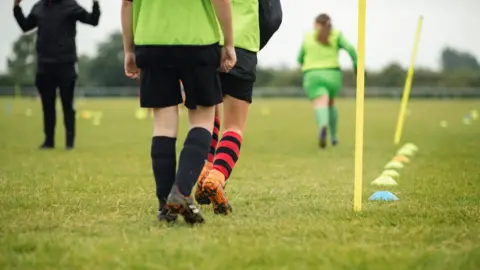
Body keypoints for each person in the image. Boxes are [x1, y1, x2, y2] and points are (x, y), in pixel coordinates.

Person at [121, 0, 236, 224]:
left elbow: (127, 4)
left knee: (163, 125)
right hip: (199, 42)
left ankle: (165, 205)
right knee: (202, 120)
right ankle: (181, 191)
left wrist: (129, 50)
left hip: (151, 42)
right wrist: (229, 43)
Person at [194, 0, 283, 215]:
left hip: (203, 44)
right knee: (233, 127)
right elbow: (273, 17)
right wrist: (254, 41)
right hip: (242, 48)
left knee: (205, 119)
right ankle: (216, 177)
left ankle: (204, 170)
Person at [13, 0, 101, 150]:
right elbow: (25, 26)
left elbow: (92, 20)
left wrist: (95, 4)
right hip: (44, 65)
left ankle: (69, 141)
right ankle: (49, 140)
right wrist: (16, 7)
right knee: (47, 106)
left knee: (67, 105)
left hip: (65, 64)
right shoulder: (38, 7)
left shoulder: (70, 5)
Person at [297, 13, 357, 148]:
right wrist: (356, 65)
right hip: (333, 75)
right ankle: (334, 136)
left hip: (313, 75)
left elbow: (299, 58)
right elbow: (351, 49)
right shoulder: (336, 35)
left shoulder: (308, 37)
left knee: (320, 104)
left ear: (316, 24)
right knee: (331, 103)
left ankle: (323, 126)